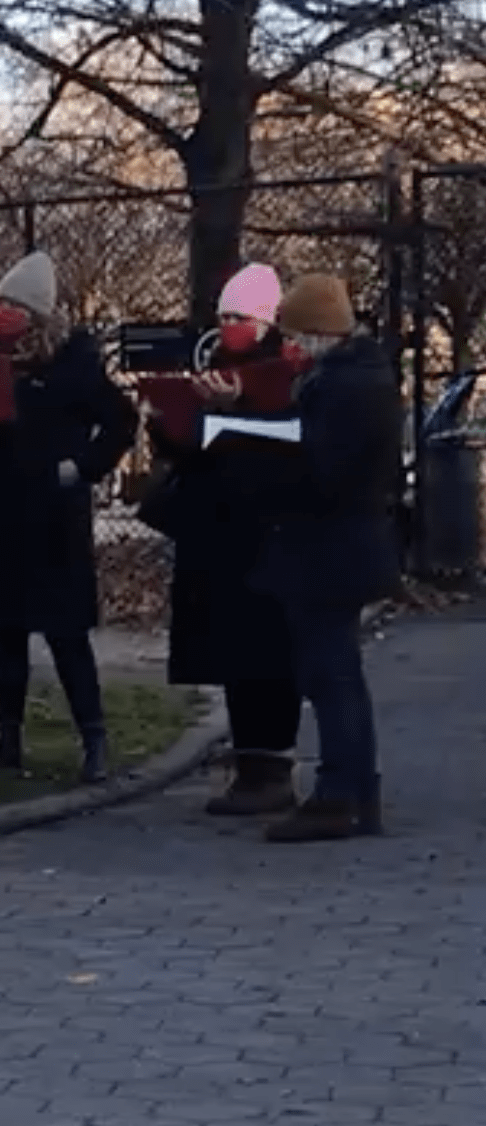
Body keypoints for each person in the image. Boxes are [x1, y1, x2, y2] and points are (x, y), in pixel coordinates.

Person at [0, 251, 137, 784]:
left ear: (37, 314)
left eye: (14, 306)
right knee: (4, 635)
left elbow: (120, 423)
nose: (1, 315)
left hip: (53, 518)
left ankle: (93, 737)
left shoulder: (73, 365)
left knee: (66, 634)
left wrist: (80, 468)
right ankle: (7, 739)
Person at [246, 274, 400, 842]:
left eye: (297, 334)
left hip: (330, 549)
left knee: (330, 674)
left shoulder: (345, 386)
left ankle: (341, 794)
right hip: (340, 546)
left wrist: (262, 456)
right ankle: (354, 789)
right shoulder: (357, 377)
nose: (291, 345)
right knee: (335, 673)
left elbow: (322, 471)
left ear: (316, 332)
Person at [149, 263, 303, 815]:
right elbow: (193, 445)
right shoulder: (209, 367)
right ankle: (249, 761)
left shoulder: (284, 374)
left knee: (266, 651)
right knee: (231, 650)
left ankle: (274, 765)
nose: (230, 326)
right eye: (224, 317)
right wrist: (168, 425)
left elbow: (282, 443)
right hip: (212, 529)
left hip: (259, 530)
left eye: (240, 317)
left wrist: (230, 412)